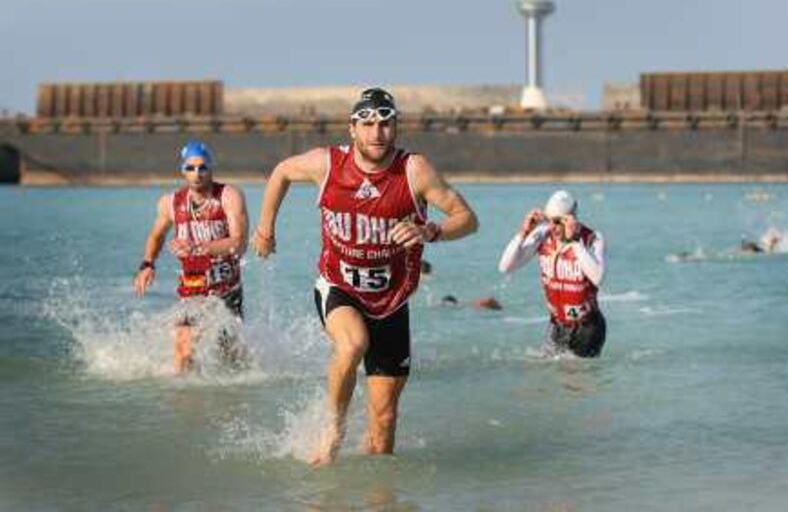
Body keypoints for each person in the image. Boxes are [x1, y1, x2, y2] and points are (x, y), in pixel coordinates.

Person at [251, 87, 478, 466]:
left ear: (396, 127)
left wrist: (431, 231)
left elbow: (467, 219)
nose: (378, 133)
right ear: (352, 128)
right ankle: (333, 427)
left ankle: (378, 496)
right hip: (339, 286)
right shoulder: (327, 164)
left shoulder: (414, 170)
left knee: (384, 424)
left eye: (386, 123)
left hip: (392, 301)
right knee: (352, 344)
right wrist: (265, 230)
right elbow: (281, 173)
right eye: (368, 124)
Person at [133, 141, 249, 372]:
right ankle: (185, 402)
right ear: (182, 170)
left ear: (211, 168)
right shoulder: (170, 203)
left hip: (225, 290)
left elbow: (239, 243)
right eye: (191, 168)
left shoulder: (228, 196)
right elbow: (156, 235)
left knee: (232, 358)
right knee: (184, 350)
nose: (197, 174)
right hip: (192, 290)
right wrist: (147, 264)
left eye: (202, 167)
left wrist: (198, 247)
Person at [498, 190, 606, 358]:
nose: (552, 227)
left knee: (575, 380)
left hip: (587, 328)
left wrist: (573, 241)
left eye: (557, 221)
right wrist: (523, 233)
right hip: (557, 325)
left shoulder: (592, 239)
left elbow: (598, 278)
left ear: (570, 219)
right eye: (548, 220)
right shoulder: (543, 235)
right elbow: (505, 267)